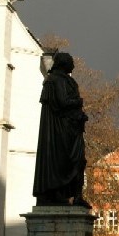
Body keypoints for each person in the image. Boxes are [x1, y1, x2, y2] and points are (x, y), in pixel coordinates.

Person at [33, 52, 91, 208]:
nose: (73, 65)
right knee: (68, 161)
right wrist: (79, 101)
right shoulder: (56, 80)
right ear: (64, 63)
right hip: (61, 131)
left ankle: (77, 196)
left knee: (79, 161)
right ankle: (58, 193)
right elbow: (62, 102)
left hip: (72, 129)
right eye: (71, 62)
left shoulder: (65, 80)